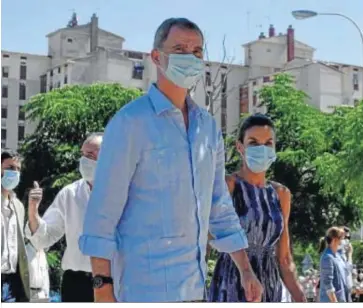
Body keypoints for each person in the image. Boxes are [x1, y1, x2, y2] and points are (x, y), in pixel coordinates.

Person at [79, 18, 262, 303]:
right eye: (179, 49)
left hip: (194, 288)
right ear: (156, 57)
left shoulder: (208, 128)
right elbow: (103, 212)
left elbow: (219, 206)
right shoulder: (130, 122)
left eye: (197, 52)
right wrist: (102, 287)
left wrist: (246, 270)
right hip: (142, 290)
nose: (189, 58)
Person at [208, 114, 305, 302]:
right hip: (231, 280)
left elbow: (284, 258)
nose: (261, 148)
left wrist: (300, 297)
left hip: (270, 284)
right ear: (240, 147)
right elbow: (208, 237)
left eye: (268, 143)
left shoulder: (281, 194)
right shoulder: (228, 185)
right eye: (253, 142)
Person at [25, 133, 103, 302]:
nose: (84, 161)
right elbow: (43, 239)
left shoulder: (125, 192)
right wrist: (33, 212)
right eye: (83, 155)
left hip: (114, 281)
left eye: (90, 156)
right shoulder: (70, 194)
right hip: (76, 283)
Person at [1, 150, 34, 302]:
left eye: (18, 169)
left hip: (12, 281)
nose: (14, 173)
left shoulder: (19, 206)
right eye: (10, 168)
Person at [318, 227, 350, 303]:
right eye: (342, 239)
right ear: (335, 240)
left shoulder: (338, 256)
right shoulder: (327, 257)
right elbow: (328, 284)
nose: (344, 242)